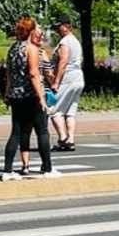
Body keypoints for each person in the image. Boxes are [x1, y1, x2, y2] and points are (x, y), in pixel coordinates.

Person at [2, 18, 57, 180]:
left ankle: (7, 170)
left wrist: (7, 93)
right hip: (30, 95)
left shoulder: (13, 48)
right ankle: (47, 168)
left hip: (15, 95)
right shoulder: (31, 49)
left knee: (16, 133)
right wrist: (41, 98)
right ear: (31, 31)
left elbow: (9, 74)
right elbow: (34, 74)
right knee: (42, 131)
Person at [49, 17, 85, 152]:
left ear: (68, 26)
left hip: (68, 77)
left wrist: (56, 81)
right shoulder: (75, 41)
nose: (58, 29)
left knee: (54, 110)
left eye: (60, 26)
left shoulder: (65, 42)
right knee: (70, 111)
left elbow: (63, 61)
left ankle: (63, 138)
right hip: (78, 77)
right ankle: (71, 139)